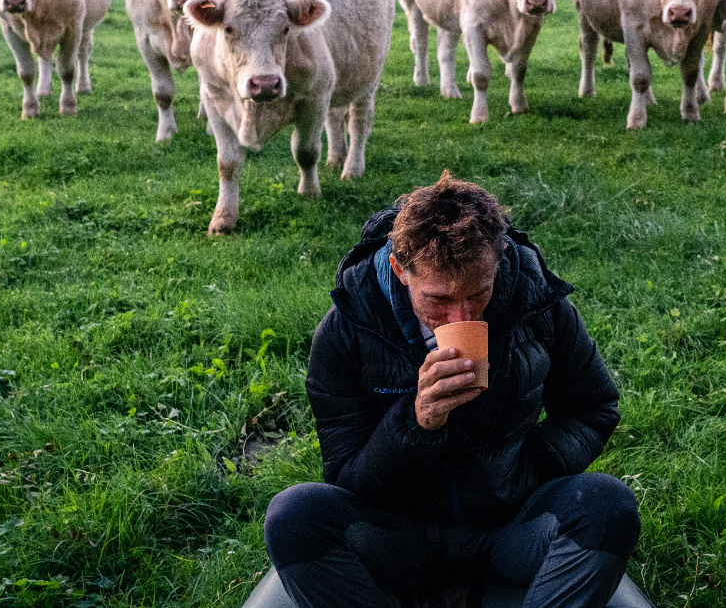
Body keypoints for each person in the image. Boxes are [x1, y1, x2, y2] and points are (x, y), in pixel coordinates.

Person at [262, 171, 642, 608]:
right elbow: (348, 479)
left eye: (478, 293)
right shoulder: (349, 328)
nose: (459, 316)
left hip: (509, 528)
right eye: (438, 300)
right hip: (401, 539)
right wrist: (417, 421)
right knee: (295, 515)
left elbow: (594, 406)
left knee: (607, 504)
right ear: (399, 270)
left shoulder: (536, 304)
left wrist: (530, 471)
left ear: (498, 262)